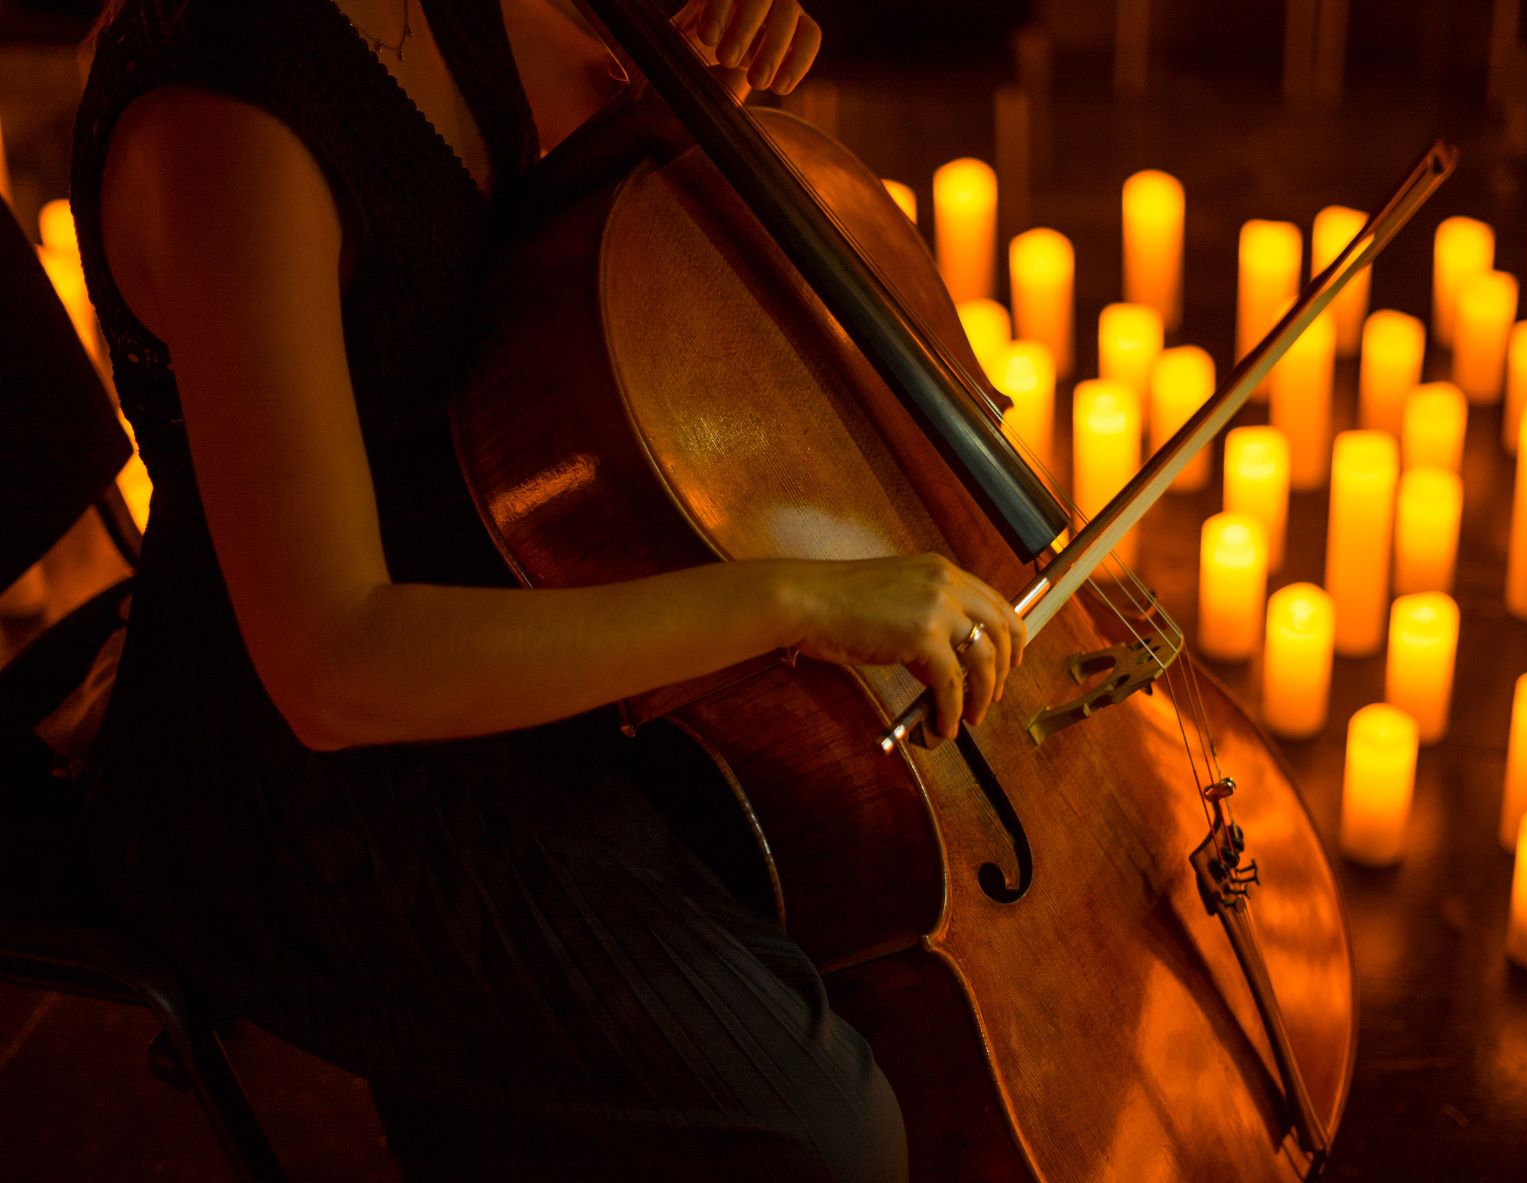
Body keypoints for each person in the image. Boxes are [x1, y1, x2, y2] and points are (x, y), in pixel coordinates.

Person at [70, 0, 1024, 1177]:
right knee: (822, 1125)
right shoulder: (227, 128)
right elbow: (333, 665)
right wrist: (799, 600)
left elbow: (581, 232)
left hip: (524, 591)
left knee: (834, 894)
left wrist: (700, 64)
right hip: (304, 773)